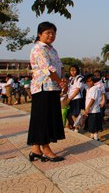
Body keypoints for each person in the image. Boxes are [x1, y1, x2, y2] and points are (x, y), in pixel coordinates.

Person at [27, 21, 66, 162]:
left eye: (53, 33)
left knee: (46, 118)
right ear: (39, 34)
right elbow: (48, 69)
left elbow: (60, 66)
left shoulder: (52, 49)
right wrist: (60, 81)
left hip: (53, 87)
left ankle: (35, 149)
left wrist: (63, 79)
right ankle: (46, 149)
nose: (51, 35)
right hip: (43, 87)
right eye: (48, 33)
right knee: (43, 118)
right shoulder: (38, 49)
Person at [84, 74, 103, 141]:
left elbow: (93, 99)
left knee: (94, 124)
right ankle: (92, 135)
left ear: (93, 81)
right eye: (87, 81)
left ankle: (96, 137)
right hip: (90, 110)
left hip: (94, 110)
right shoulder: (88, 89)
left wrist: (88, 107)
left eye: (90, 81)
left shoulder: (95, 88)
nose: (89, 83)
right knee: (91, 123)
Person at [66, 65, 84, 130]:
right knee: (70, 114)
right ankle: (74, 126)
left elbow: (77, 89)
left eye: (74, 70)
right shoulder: (70, 78)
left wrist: (70, 98)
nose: (72, 72)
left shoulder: (79, 78)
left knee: (75, 114)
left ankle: (77, 128)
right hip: (70, 98)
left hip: (77, 98)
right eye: (71, 70)